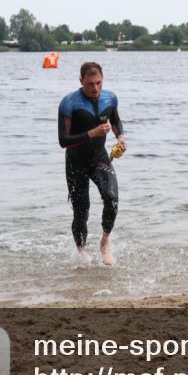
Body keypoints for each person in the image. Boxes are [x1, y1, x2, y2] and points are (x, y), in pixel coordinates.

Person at [58, 61, 126, 265]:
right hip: (75, 162)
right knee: (81, 211)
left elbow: (115, 121)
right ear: (81, 81)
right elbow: (63, 140)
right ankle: (81, 251)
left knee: (111, 198)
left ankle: (105, 242)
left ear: (102, 80)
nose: (95, 88)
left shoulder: (110, 98)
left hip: (99, 158)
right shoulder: (69, 103)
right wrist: (92, 133)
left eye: (98, 83)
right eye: (90, 84)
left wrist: (120, 136)